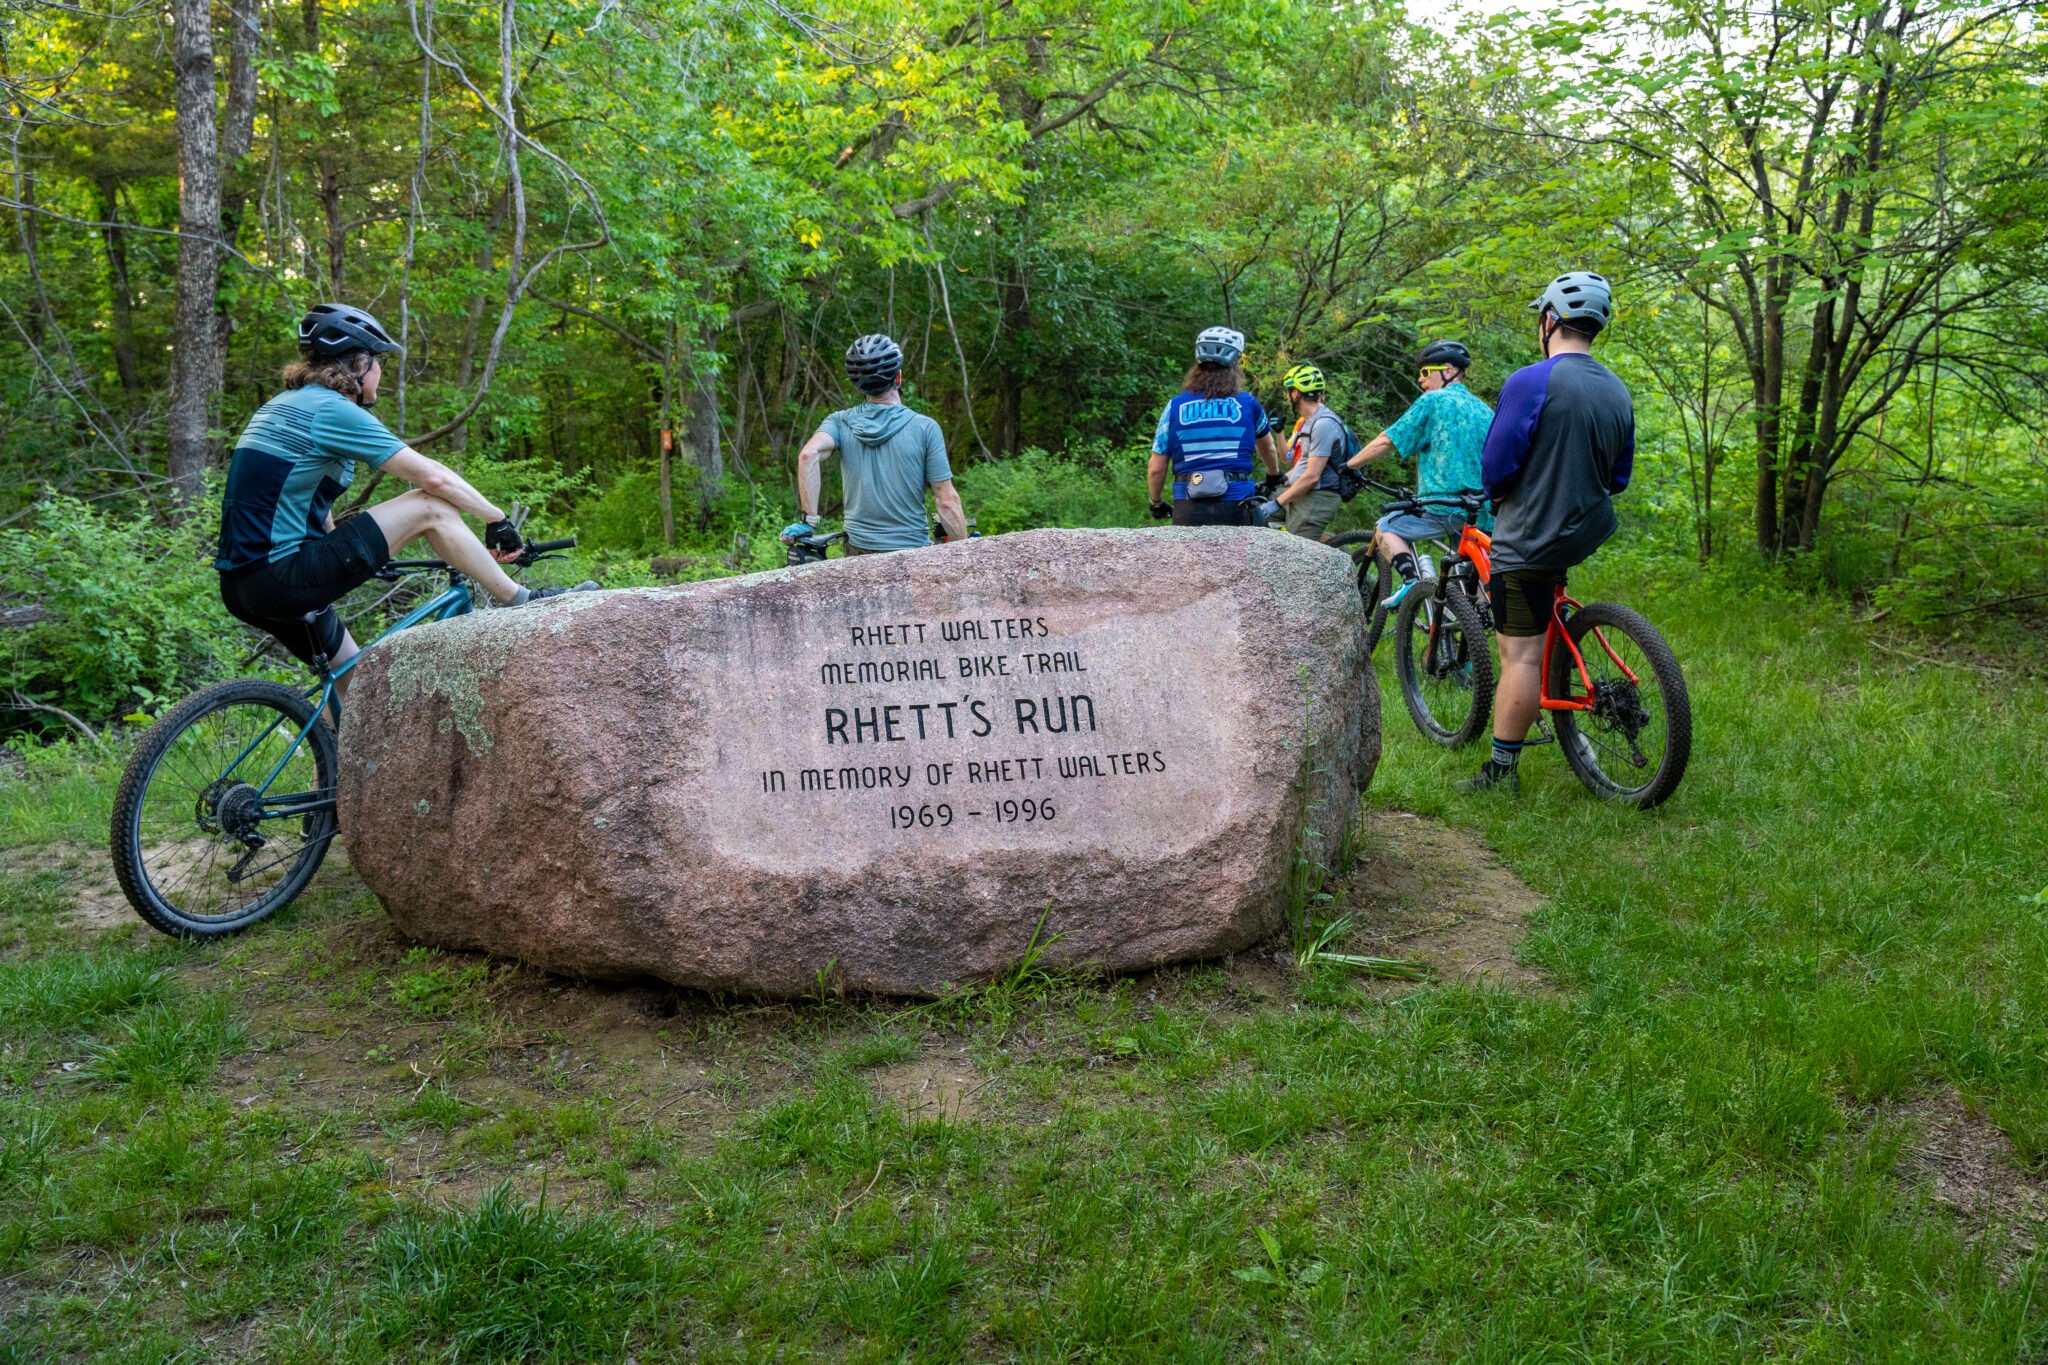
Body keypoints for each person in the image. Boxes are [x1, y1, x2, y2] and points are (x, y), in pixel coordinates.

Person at [215, 303, 582, 677]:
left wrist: (355, 553)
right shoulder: (331, 410)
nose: (380, 373)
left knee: (347, 677)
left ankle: (326, 738)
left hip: (241, 584)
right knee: (431, 507)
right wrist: (496, 518)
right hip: (280, 576)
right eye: (378, 362)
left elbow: (311, 502)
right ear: (359, 364)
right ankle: (523, 601)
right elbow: (434, 480)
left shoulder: (283, 405)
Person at [1459, 272, 1635, 794]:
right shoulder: (1616, 388)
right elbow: (1617, 477)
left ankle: (1501, 772)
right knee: (1541, 614)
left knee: (1521, 656)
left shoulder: (1531, 381)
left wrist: (1505, 492)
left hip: (1528, 535)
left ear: (1550, 321)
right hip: (1584, 529)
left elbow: (1496, 467)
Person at [784, 334, 968, 554]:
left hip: (857, 549)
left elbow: (808, 455)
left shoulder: (840, 422)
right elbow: (946, 501)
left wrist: (808, 521)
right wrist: (964, 552)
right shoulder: (925, 428)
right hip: (911, 551)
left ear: (859, 385)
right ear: (898, 377)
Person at [1346, 340, 1494, 606]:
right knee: (1471, 583)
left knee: (1385, 526)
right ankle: (1470, 625)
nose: (1420, 379)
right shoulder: (1484, 409)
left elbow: (1388, 440)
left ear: (1448, 371)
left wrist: (1350, 465)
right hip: (1480, 510)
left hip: (1443, 506)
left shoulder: (1433, 401)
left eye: (1426, 372)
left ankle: (1411, 581)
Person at [1146, 327, 1281, 526]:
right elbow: (1268, 447)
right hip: (1239, 505)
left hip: (1188, 508)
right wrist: (1273, 476)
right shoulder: (1248, 404)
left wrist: (1156, 502)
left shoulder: (1174, 407)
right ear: (1235, 363)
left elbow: (1156, 467)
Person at [1270, 363, 1350, 540]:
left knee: (1294, 554)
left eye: (1288, 392)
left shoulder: (1323, 424)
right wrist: (1277, 482)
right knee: (1258, 508)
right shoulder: (1308, 422)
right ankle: (1323, 542)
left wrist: (1277, 503)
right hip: (1304, 491)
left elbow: (1312, 476)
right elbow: (1302, 463)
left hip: (1318, 496)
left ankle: (1321, 550)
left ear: (1296, 394)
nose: (1287, 396)